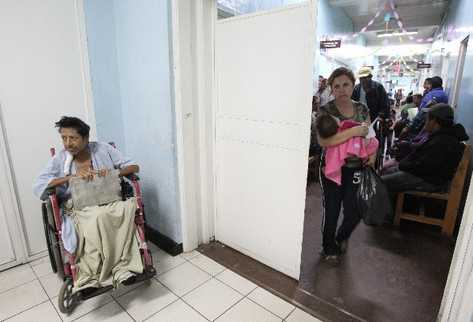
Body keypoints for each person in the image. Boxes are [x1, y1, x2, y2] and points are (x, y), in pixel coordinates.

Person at [33, 116, 143, 292]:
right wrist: (70, 178)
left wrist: (112, 173)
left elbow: (134, 167)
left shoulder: (102, 149)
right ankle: (92, 274)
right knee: (97, 217)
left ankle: (122, 269)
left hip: (108, 199)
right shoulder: (61, 159)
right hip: (78, 206)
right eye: (64, 138)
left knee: (122, 211)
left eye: (73, 138)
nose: (68, 143)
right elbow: (39, 185)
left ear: (85, 138)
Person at [316, 67, 372, 263]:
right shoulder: (326, 110)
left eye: (345, 84)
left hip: (356, 168)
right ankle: (328, 245)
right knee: (331, 209)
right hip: (331, 170)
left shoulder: (362, 109)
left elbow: (368, 135)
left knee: (354, 210)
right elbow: (324, 141)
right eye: (336, 86)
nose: (341, 89)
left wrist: (370, 153)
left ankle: (342, 236)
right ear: (331, 88)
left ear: (353, 85)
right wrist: (354, 132)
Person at [382, 103, 468, 201]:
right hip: (426, 175)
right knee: (387, 172)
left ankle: (382, 213)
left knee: (382, 182)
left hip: (430, 181)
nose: (425, 123)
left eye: (427, 119)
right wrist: (403, 165)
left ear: (434, 121)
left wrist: (403, 165)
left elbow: (424, 166)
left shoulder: (443, 141)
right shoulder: (441, 136)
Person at [316, 113, 377, 185]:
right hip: (364, 149)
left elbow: (332, 159)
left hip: (358, 163)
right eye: (334, 117)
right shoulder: (341, 130)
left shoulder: (337, 136)